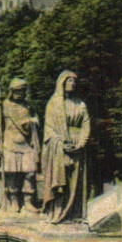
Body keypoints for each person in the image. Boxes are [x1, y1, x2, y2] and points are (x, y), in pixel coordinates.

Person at [39, 71, 91, 224]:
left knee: (76, 182)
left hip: (78, 148)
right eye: (69, 81)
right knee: (61, 181)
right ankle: (58, 212)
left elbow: (86, 125)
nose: (72, 84)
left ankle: (74, 215)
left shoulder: (81, 104)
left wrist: (81, 143)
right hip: (59, 148)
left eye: (74, 81)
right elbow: (49, 128)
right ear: (61, 83)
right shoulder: (53, 104)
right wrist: (60, 142)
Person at [0, 78, 40, 215]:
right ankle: (14, 201)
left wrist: (32, 122)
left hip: (26, 144)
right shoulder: (3, 106)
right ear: (12, 91)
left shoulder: (28, 106)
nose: (20, 93)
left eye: (23, 91)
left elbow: (37, 120)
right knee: (12, 175)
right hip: (10, 144)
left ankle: (28, 202)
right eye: (17, 91)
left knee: (29, 173)